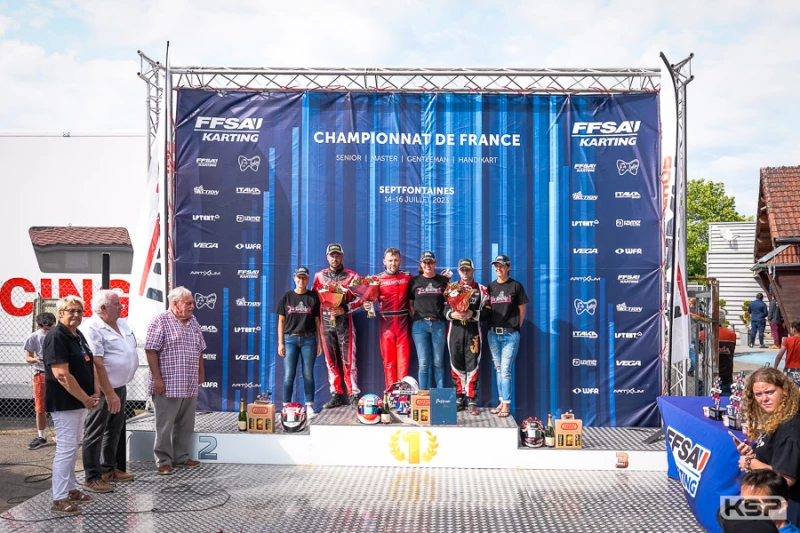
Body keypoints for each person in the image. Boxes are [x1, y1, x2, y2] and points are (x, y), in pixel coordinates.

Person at [43, 296, 100, 515]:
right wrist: (85, 398)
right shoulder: (57, 336)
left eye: (79, 311)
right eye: (70, 311)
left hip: (80, 401)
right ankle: (59, 498)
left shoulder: (77, 335)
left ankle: (71, 489)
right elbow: (61, 375)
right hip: (65, 402)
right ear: (60, 313)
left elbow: (89, 364)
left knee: (73, 446)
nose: (76, 314)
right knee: (66, 449)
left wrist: (95, 391)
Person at [80, 290, 138, 488]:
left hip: (119, 386)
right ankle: (92, 477)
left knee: (114, 429)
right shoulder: (92, 327)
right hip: (103, 390)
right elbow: (97, 363)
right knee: (95, 432)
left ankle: (108, 469)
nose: (121, 306)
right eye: (117, 303)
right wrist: (109, 393)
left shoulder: (122, 323)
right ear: (104, 307)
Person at [145, 286, 206, 475]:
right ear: (174, 304)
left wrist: (201, 372)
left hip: (188, 382)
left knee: (186, 424)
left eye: (192, 303)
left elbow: (200, 349)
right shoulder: (160, 320)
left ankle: (181, 457)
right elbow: (151, 350)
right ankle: (163, 461)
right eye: (188, 303)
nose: (192, 306)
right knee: (164, 425)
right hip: (168, 384)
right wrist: (157, 379)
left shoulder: (193, 321)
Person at [735, 367, 800, 527]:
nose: (764, 399)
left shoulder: (790, 428)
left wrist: (750, 463)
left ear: (784, 392)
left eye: (770, 392)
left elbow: (785, 478)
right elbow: (775, 457)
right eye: (758, 394)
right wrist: (753, 453)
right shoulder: (777, 419)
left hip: (789, 512)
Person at [312, 243, 364, 409]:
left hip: (345, 323)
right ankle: (336, 394)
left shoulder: (352, 276)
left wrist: (345, 308)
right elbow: (313, 300)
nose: (334, 258)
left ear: (342, 256)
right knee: (331, 361)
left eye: (337, 255)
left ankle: (353, 394)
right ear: (327, 257)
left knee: (349, 360)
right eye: (332, 255)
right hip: (326, 324)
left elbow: (363, 298)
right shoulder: (319, 277)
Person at [445, 258, 488, 416]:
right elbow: (443, 310)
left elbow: (488, 312)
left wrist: (472, 314)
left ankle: (471, 398)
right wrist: (453, 314)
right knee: (456, 363)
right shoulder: (451, 289)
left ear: (473, 271)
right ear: (458, 271)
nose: (465, 272)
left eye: (468, 269)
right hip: (455, 332)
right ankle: (459, 396)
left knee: (472, 364)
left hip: (473, 332)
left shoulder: (482, 290)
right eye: (462, 269)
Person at [486, 254, 528, 418]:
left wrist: (515, 327)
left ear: (508, 267)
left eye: (501, 266)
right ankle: (502, 401)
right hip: (493, 334)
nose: (498, 268)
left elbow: (522, 311)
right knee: (498, 369)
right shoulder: (490, 287)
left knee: (505, 371)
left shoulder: (516, 286)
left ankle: (507, 405)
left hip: (510, 335)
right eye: (496, 266)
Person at [277, 266, 322, 417]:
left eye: (304, 277)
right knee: (289, 374)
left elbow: (318, 322)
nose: (301, 280)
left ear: (308, 279)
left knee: (308, 374)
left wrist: (319, 342)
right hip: (290, 339)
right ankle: (285, 406)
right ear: (294, 278)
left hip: (309, 339)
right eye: (299, 277)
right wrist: (281, 343)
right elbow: (281, 321)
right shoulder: (286, 297)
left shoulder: (313, 297)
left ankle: (309, 406)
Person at [373, 247, 413, 389]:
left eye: (396, 260)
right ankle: (390, 393)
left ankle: (402, 394)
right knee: (389, 360)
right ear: (384, 261)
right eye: (390, 260)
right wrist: (366, 304)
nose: (393, 263)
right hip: (387, 323)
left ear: (400, 261)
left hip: (403, 322)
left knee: (404, 360)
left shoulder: (407, 277)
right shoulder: (377, 279)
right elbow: (368, 298)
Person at [409, 251, 449, 390]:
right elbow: (410, 302)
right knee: (423, 363)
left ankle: (440, 395)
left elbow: (449, 301)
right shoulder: (415, 281)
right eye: (425, 262)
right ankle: (423, 394)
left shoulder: (443, 281)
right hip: (420, 326)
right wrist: (416, 315)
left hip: (438, 324)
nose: (428, 265)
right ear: (421, 264)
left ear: (435, 264)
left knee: (438, 362)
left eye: (430, 262)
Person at [23, 312, 56, 450]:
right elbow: (28, 357)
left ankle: (61, 434)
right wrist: (35, 360)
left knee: (60, 406)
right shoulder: (33, 337)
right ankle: (41, 436)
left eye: (50, 328)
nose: (47, 331)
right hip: (41, 373)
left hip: (58, 372)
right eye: (44, 328)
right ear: (39, 326)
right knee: (40, 407)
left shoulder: (60, 335)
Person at [775, 321, 800, 385]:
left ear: (794, 330)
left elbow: (779, 356)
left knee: (789, 388)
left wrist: (775, 367)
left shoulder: (787, 340)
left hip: (789, 369)